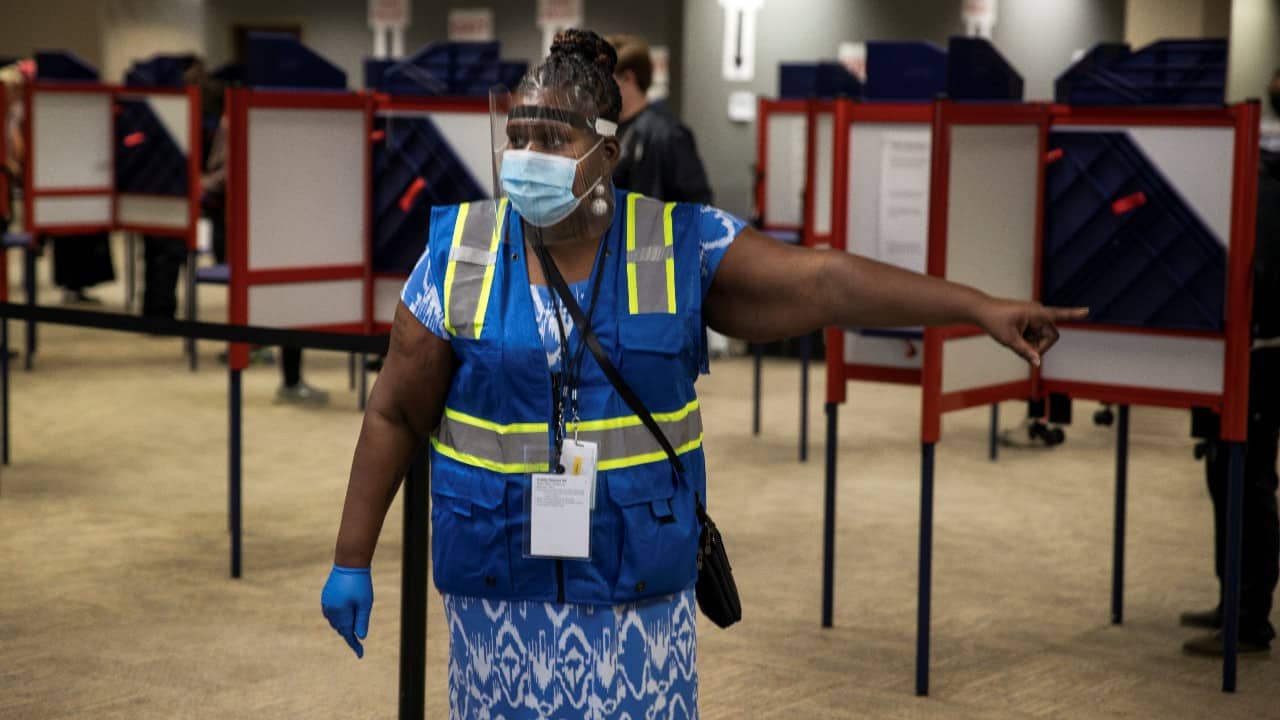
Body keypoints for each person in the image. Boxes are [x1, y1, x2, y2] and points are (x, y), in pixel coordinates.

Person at [320, 29, 1083, 718]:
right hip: (500, 603)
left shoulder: (679, 245)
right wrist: (352, 557)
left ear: (606, 153)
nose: (525, 157)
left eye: (550, 139)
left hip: (636, 606)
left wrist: (976, 306)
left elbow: (826, 283)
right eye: (516, 135)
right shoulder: (460, 255)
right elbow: (395, 412)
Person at [1180, 73, 1280, 656]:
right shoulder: (1256, 169)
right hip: (1235, 349)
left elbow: (1258, 269)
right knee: (1226, 474)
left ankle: (1248, 618)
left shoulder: (1266, 179)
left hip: (1259, 353)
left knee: (1248, 479)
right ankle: (1233, 601)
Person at [607, 33, 712, 204]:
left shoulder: (669, 134)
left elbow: (698, 207)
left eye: (604, 80)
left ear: (628, 78)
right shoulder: (608, 131)